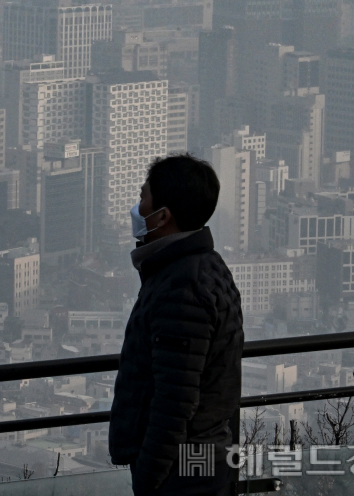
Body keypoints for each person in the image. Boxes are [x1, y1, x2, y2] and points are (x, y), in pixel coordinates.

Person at [109, 154, 244, 495]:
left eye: (143, 199)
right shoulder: (205, 266)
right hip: (204, 456)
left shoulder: (183, 287)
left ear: (163, 216)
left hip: (183, 470)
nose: (137, 209)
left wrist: (149, 480)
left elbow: (175, 400)